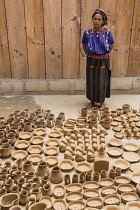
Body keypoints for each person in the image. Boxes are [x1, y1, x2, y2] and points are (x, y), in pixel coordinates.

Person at [82, 9, 115, 109]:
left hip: (103, 61)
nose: (96, 21)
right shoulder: (87, 33)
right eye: (95, 19)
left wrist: (104, 54)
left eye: (99, 19)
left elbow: (112, 43)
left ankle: (102, 102)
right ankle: (92, 101)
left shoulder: (107, 33)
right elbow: (84, 44)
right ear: (92, 19)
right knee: (91, 81)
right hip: (91, 60)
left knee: (102, 81)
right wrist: (88, 54)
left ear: (103, 21)